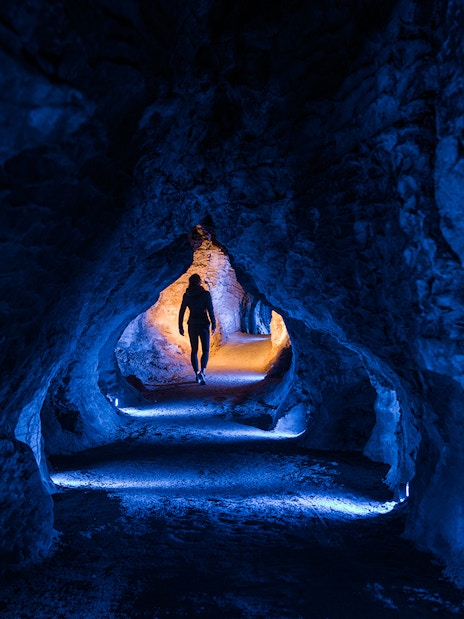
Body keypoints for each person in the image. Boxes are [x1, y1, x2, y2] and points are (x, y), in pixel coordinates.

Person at [178, 273, 216, 384]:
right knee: (205, 350)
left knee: (194, 350)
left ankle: (197, 373)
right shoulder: (205, 294)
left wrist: (180, 326)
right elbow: (210, 310)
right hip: (203, 324)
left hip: (192, 324)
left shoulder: (187, 295)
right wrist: (213, 324)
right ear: (199, 282)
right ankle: (203, 372)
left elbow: (182, 311)